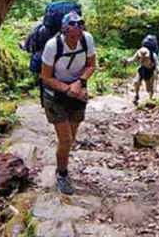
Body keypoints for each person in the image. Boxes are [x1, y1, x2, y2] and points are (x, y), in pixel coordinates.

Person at [40, 11, 96, 195]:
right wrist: (67, 89)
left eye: (78, 34)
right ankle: (62, 174)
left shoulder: (87, 40)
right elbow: (46, 77)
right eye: (72, 35)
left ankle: (62, 164)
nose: (75, 38)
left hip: (77, 91)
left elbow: (91, 65)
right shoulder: (52, 45)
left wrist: (79, 83)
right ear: (64, 32)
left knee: (70, 137)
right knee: (65, 139)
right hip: (55, 94)